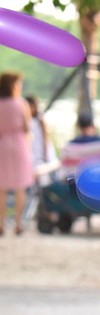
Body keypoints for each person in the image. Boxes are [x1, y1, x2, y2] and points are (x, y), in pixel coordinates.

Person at [0, 71, 33, 236]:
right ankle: (18, 223)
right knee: (20, 186)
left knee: (1, 188)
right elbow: (27, 128)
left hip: (2, 146)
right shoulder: (22, 104)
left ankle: (1, 224)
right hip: (19, 145)